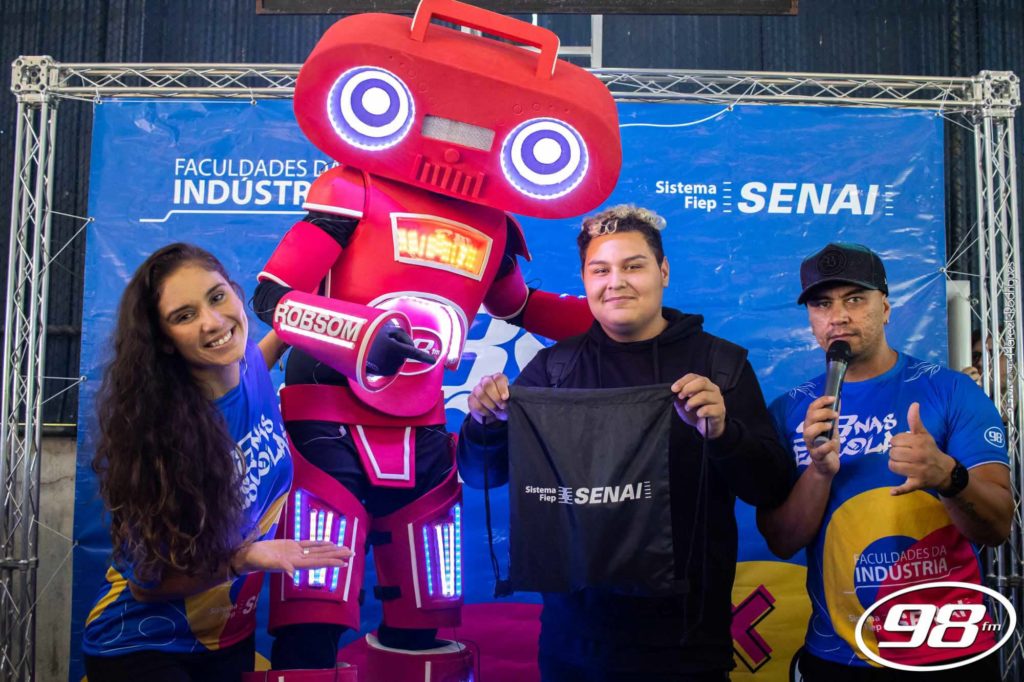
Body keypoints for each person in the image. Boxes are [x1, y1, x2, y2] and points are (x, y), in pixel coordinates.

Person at [457, 205, 795, 682]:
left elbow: (771, 486)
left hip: (688, 650)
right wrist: (485, 422)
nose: (616, 282)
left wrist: (723, 434)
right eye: (601, 270)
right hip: (574, 648)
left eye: (633, 266)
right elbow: (481, 474)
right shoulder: (554, 370)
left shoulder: (719, 366)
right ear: (585, 280)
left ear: (663, 271)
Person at [81, 243, 351, 682]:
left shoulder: (247, 367)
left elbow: (263, 357)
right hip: (142, 644)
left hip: (226, 639)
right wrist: (243, 558)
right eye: (184, 316)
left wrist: (313, 300)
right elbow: (147, 586)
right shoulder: (164, 438)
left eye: (217, 296)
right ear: (164, 341)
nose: (212, 321)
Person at [758, 242, 1013, 681]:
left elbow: (997, 527)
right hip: (839, 656)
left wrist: (949, 477)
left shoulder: (952, 392)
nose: (838, 316)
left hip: (948, 649)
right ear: (811, 319)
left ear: (886, 308)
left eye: (855, 299)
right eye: (822, 304)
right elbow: (781, 542)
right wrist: (819, 473)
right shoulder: (790, 411)